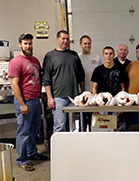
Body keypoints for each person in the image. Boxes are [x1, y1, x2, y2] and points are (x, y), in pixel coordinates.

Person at [9, 33, 47, 171]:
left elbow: (37, 80)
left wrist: (40, 95)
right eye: (25, 43)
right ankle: (22, 160)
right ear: (20, 44)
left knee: (34, 130)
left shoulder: (35, 60)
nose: (28, 46)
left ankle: (32, 153)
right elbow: (14, 85)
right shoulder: (16, 62)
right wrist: (22, 104)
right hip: (25, 101)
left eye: (30, 43)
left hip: (36, 100)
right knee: (24, 132)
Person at [43, 30, 85, 133]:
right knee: (59, 126)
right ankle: (59, 149)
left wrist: (83, 94)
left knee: (77, 127)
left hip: (75, 97)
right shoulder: (50, 56)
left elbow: (81, 76)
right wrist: (49, 98)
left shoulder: (74, 55)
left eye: (67, 39)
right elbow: (46, 79)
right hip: (59, 97)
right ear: (57, 39)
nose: (65, 41)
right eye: (63, 39)